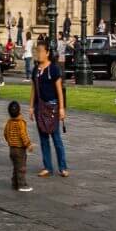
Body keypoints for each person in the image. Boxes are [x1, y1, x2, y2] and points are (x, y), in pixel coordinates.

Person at [31, 41, 68, 178]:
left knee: (56, 138)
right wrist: (30, 107)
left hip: (52, 106)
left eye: (41, 51)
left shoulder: (53, 69)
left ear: (47, 53)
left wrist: (62, 108)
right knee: (43, 138)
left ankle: (62, 167)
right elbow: (33, 89)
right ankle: (47, 167)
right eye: (37, 51)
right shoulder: (36, 70)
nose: (39, 54)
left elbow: (59, 90)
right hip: (39, 107)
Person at [2, 100, 34, 193]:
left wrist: (10, 142)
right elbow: (23, 135)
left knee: (16, 166)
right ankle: (21, 185)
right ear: (19, 111)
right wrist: (28, 145)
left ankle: (14, 183)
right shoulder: (21, 122)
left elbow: (5, 133)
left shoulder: (9, 122)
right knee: (21, 167)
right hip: (20, 149)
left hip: (12, 149)